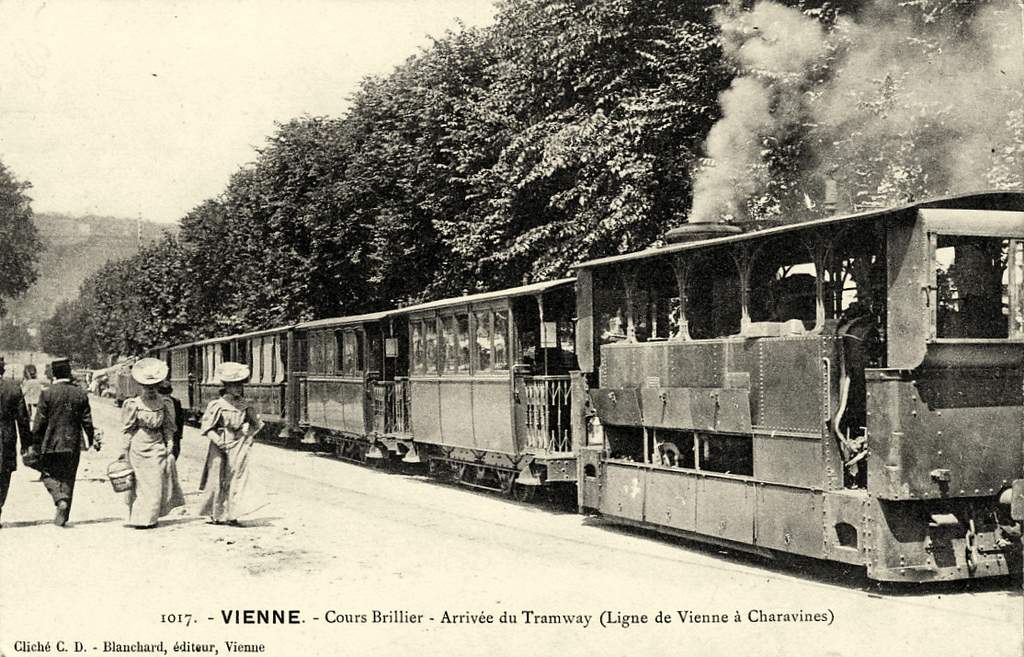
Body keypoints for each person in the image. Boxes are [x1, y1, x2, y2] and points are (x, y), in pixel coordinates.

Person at [31, 357, 99, 526]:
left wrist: (34, 442)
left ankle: (59, 498)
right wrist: (91, 440)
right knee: (69, 477)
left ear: (54, 373)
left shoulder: (47, 393)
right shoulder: (80, 393)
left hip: (51, 442)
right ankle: (64, 514)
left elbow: (39, 422)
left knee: (47, 473)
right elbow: (87, 421)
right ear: (69, 373)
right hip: (73, 443)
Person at [120, 359, 184, 528]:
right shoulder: (133, 404)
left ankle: (151, 517)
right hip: (138, 446)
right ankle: (139, 518)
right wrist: (124, 450)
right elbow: (128, 429)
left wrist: (170, 443)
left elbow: (168, 427)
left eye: (153, 386)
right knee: (140, 484)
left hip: (157, 445)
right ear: (141, 386)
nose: (150, 390)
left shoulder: (165, 403)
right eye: (147, 387)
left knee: (155, 482)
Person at [198, 362, 263, 525]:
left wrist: (247, 436)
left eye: (240, 385)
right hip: (220, 445)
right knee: (218, 479)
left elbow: (256, 424)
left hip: (239, 445)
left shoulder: (245, 405)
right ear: (226, 386)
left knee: (237, 478)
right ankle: (217, 514)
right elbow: (207, 428)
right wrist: (218, 441)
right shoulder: (217, 405)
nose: (238, 388)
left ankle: (233, 514)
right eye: (234, 385)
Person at [0, 357, 31, 528]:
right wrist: (26, 443)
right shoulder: (13, 388)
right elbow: (23, 419)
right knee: (4, 473)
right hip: (7, 437)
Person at [158, 380, 185, 459]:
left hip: (174, 434)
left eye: (167, 393)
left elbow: (180, 419)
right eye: (163, 393)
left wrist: (179, 435)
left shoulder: (176, 402)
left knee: (174, 455)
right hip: (160, 435)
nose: (165, 396)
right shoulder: (156, 403)